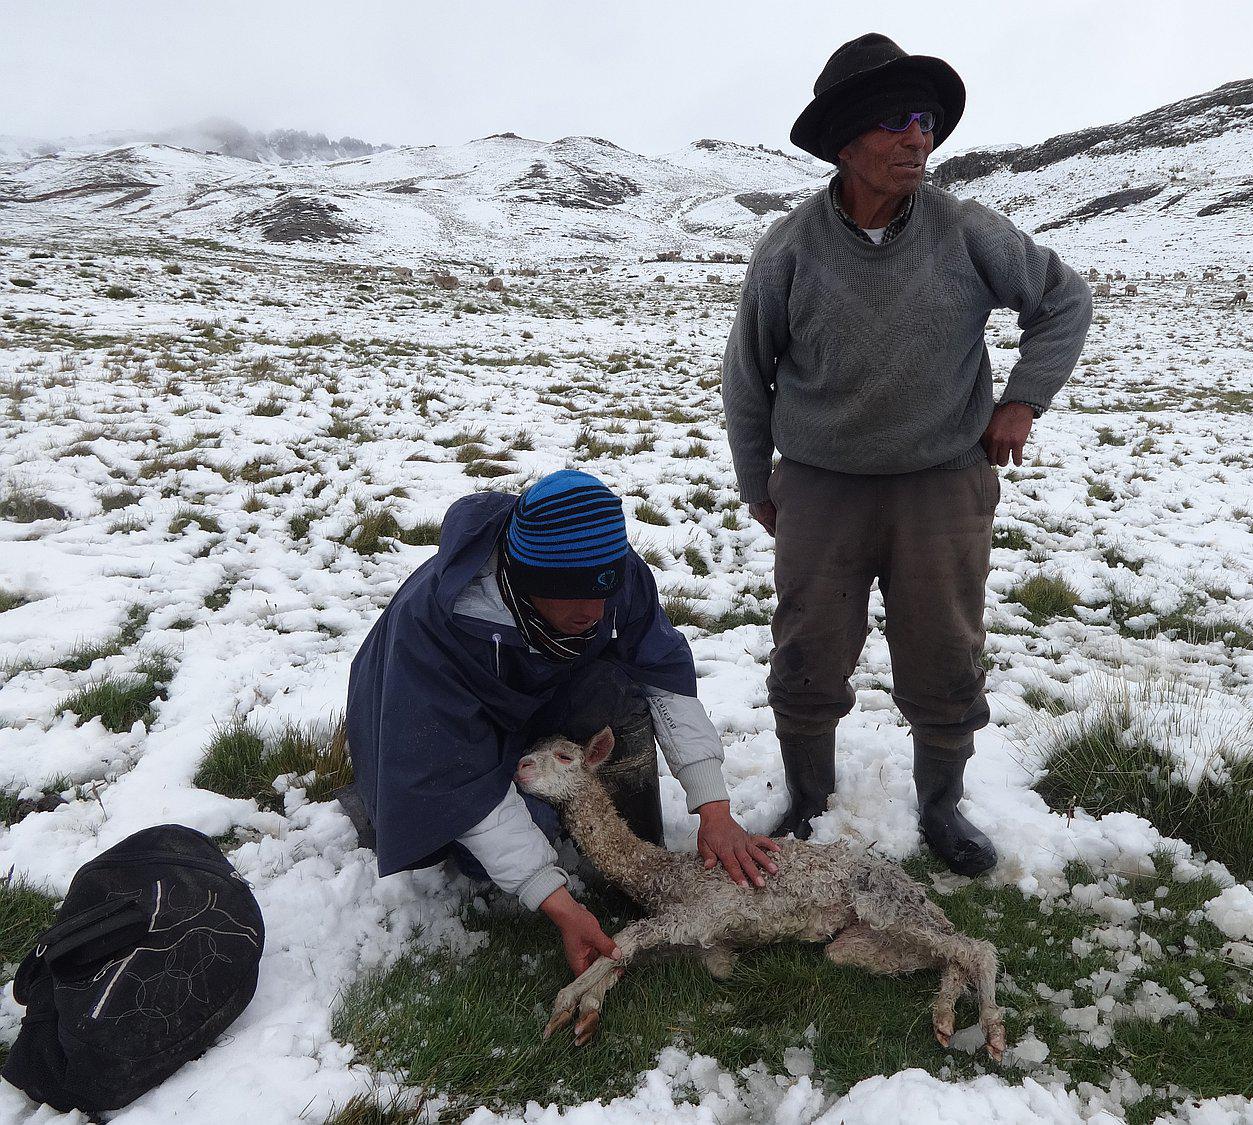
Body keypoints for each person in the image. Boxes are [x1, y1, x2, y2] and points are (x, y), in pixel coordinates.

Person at [721, 33, 1092, 876]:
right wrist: (757, 483)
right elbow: (748, 375)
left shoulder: (966, 231)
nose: (916, 138)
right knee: (807, 653)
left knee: (945, 649)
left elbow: (1064, 301)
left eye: (923, 120)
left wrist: (1023, 401)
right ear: (846, 144)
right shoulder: (790, 249)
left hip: (941, 485)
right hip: (821, 487)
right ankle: (809, 798)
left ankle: (941, 805)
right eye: (894, 123)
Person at [343, 470, 779, 977]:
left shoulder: (604, 566)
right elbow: (450, 765)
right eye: (572, 596)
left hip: (532, 690)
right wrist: (555, 900)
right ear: (528, 582)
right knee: (489, 857)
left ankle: (633, 857)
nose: (594, 612)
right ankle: (379, 807)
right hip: (421, 732)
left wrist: (714, 808)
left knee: (615, 690)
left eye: (603, 593)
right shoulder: (436, 630)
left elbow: (661, 673)